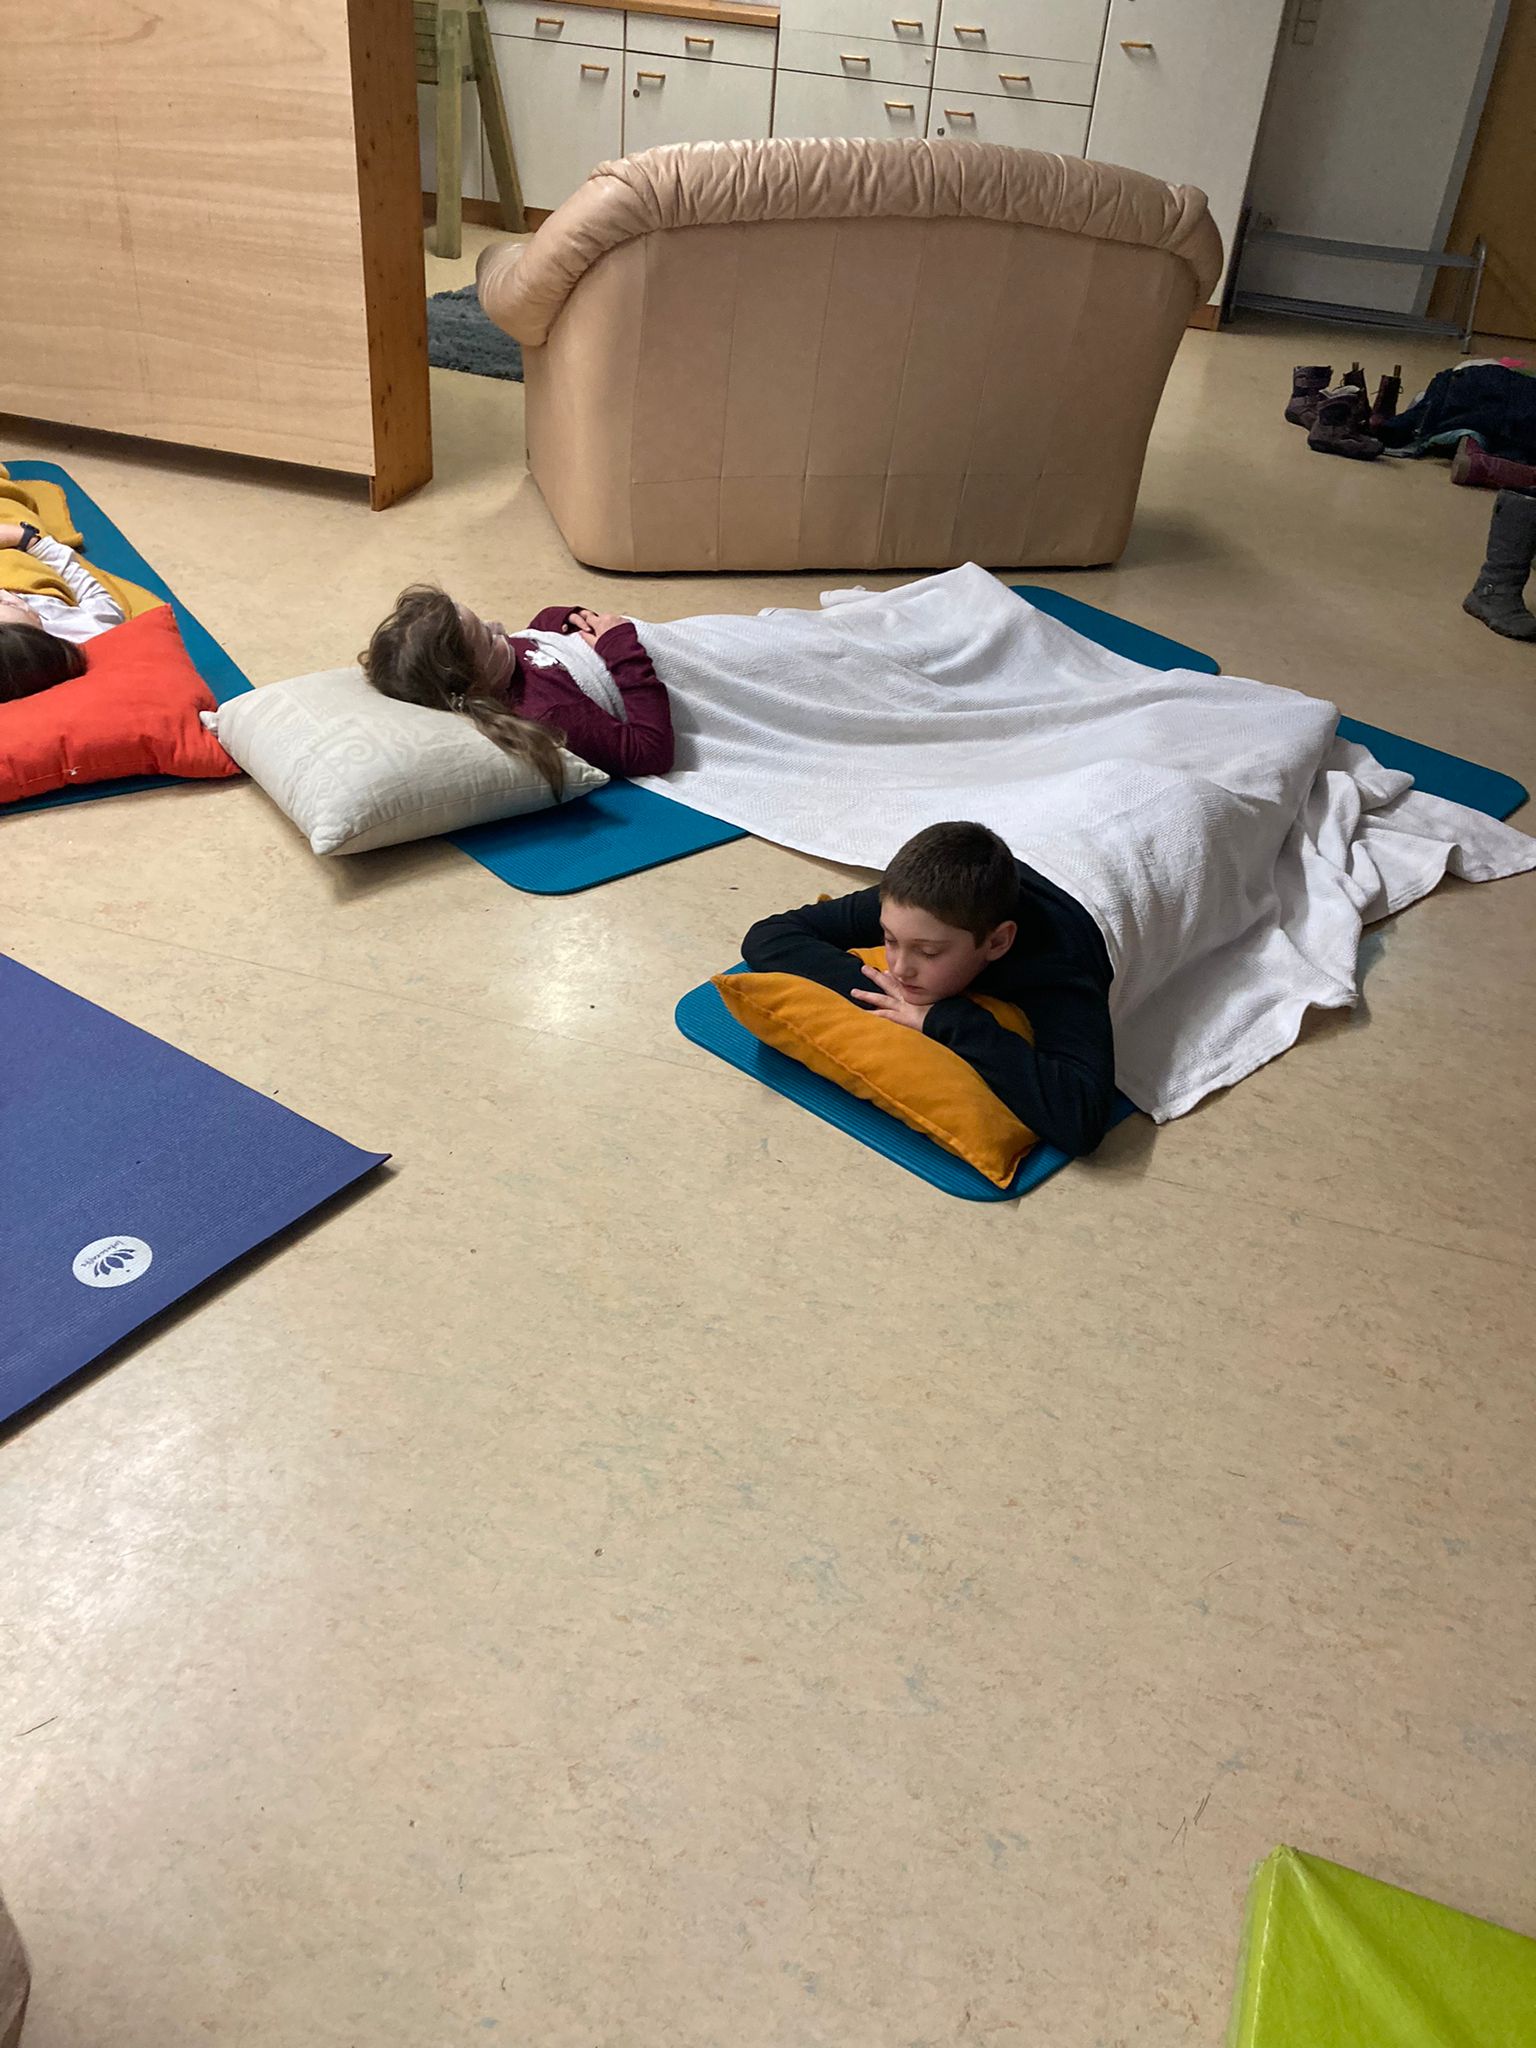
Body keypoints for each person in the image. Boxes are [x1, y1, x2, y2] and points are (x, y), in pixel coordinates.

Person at [742, 820, 1117, 1157]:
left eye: (928, 952)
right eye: (889, 940)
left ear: (997, 942)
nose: (899, 967)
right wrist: (883, 994)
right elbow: (769, 937)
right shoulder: (918, 904)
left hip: (1092, 878)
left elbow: (1080, 1118)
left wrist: (945, 1018)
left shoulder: (1057, 962)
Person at [360, 584, 674, 790]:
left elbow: (530, 641)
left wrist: (561, 619)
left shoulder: (503, 668)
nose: (497, 627)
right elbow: (650, 751)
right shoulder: (555, 714)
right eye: (487, 637)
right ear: (475, 683)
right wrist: (621, 650)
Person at [0, 519, 127, 701]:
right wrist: (29, 540)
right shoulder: (90, 631)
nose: (5, 592)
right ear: (37, 620)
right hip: (28, 562)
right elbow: (94, 594)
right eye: (8, 603)